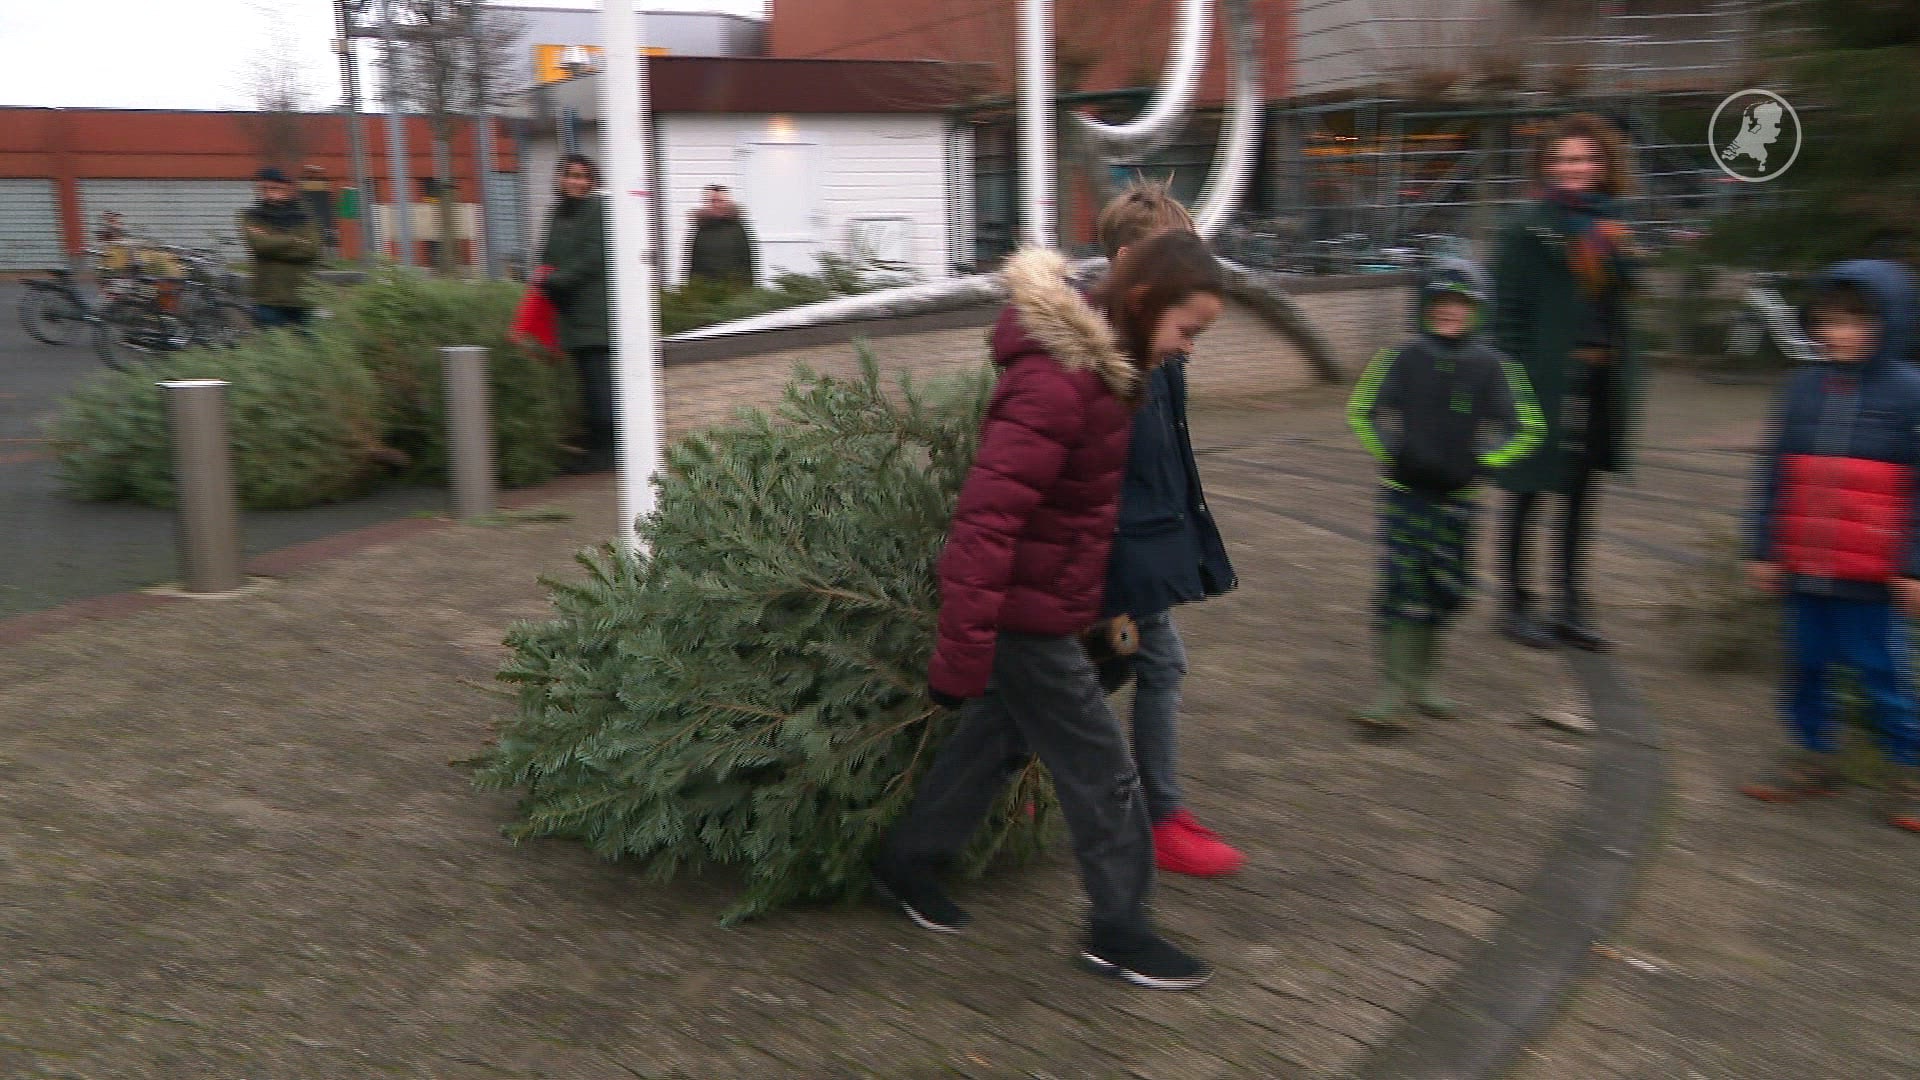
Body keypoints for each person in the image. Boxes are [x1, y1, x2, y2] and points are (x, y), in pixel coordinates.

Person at [875, 230, 1227, 990]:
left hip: (1045, 606)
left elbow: (1072, 517)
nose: (1189, 348)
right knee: (1103, 772)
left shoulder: (1101, 380)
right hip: (1020, 618)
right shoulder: (1059, 387)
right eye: (1187, 329)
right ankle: (1120, 932)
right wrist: (961, 654)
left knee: (993, 740)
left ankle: (907, 862)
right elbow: (986, 524)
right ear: (1144, 303)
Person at [1090, 183, 1242, 877]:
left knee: (1100, 667)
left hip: (1144, 545)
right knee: (1143, 663)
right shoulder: (1106, 354)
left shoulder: (1159, 347)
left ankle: (1019, 771)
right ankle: (1157, 815)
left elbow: (1168, 454)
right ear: (1130, 263)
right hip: (1117, 555)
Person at [1740, 260, 1920, 833]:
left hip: (1871, 576)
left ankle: (1909, 772)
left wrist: (1915, 568)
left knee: (1883, 674)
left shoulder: (1909, 392)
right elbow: (1774, 474)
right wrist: (1764, 548)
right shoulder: (1802, 388)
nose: (1840, 333)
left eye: (1857, 321)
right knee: (1806, 666)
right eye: (1829, 321)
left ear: (1888, 322)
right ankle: (1813, 758)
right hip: (1804, 566)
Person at [1347, 261, 1544, 734]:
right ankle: (1392, 689)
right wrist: (1393, 452)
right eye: (1440, 302)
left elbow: (1529, 426)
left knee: (1446, 588)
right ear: (1425, 307)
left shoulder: (1494, 366)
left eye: (1460, 304)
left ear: (1476, 310)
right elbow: (1361, 410)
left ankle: (1424, 681)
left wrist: (1484, 461)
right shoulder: (1399, 358)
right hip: (1405, 497)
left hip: (1458, 500)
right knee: (1402, 586)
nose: (1449, 311)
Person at [1491, 113, 1642, 652]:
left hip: (1598, 378)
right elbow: (1504, 316)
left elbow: (1620, 304)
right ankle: (1515, 604)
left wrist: (1621, 258)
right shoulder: (1524, 229)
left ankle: (1570, 607)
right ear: (1547, 166)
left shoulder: (1613, 226)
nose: (1574, 167)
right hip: (1542, 380)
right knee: (1528, 492)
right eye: (1563, 159)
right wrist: (1509, 385)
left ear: (1603, 164)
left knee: (1580, 495)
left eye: (1585, 158)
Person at [536, 153, 614, 474]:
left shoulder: (598, 210)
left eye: (583, 176)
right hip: (569, 311)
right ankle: (596, 448)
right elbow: (547, 254)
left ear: (592, 181)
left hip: (594, 312)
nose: (576, 182)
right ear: (560, 178)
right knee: (587, 385)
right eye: (570, 175)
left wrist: (555, 280)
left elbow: (595, 257)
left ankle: (607, 453)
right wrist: (542, 277)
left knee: (599, 385)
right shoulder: (557, 212)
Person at [239, 166, 322, 330]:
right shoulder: (250, 216)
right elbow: (259, 245)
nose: (269, 193)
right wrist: (293, 240)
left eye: (275, 188)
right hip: (268, 297)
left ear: (288, 189)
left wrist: (272, 242)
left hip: (302, 296)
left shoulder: (305, 217)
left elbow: (311, 250)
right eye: (264, 189)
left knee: (310, 343)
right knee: (273, 343)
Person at [684, 184, 757, 290]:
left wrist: (748, 291)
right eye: (712, 201)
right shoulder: (700, 228)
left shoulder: (738, 229)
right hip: (705, 290)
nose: (716, 205)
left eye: (720, 201)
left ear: (727, 202)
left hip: (732, 290)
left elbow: (747, 263)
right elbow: (691, 265)